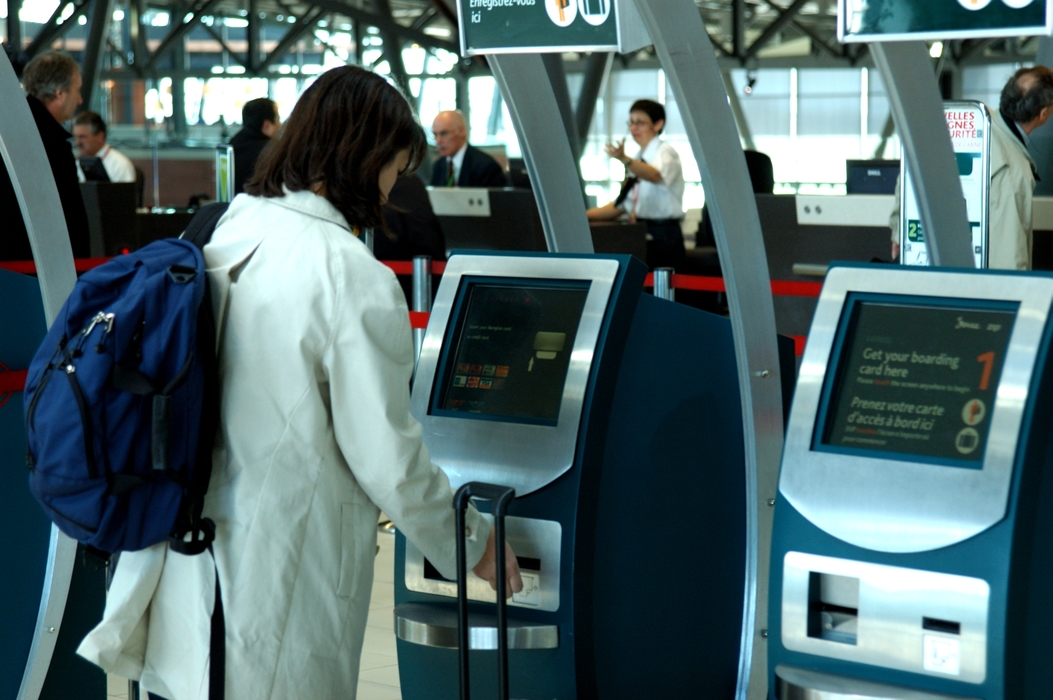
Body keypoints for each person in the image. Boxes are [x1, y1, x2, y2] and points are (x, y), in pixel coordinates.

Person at [76, 66, 522, 700]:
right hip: (280, 566)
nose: (394, 186)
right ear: (363, 158)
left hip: (180, 548)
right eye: (395, 165)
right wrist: (471, 541)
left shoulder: (218, 230)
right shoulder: (349, 273)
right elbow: (386, 454)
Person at [891, 66, 1053, 270]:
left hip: (929, 269)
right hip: (978, 288)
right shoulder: (1012, 169)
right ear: (1043, 114)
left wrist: (899, 232)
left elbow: (909, 174)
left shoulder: (965, 129)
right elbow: (1008, 255)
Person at [0, 50, 90, 260]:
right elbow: (70, 220)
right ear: (60, 93)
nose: (79, 100)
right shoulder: (52, 144)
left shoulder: (10, 130)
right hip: (37, 270)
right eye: (77, 90)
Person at [586, 99, 686, 270]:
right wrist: (584, 216)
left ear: (658, 124)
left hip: (664, 234)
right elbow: (621, 206)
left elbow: (654, 175)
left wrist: (625, 159)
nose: (633, 128)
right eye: (631, 122)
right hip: (640, 232)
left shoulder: (665, 153)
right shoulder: (636, 159)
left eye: (640, 123)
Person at [429, 110, 507, 187]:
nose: (438, 141)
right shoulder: (438, 166)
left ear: (462, 131)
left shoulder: (486, 167)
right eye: (435, 135)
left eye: (444, 133)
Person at [229, 97, 280, 194]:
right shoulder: (269, 152)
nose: (279, 125)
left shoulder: (233, 143)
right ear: (267, 125)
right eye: (278, 119)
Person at [73, 110, 136, 183]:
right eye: (75, 137)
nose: (77, 142)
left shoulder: (120, 166)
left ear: (100, 137)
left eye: (83, 137)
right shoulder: (78, 163)